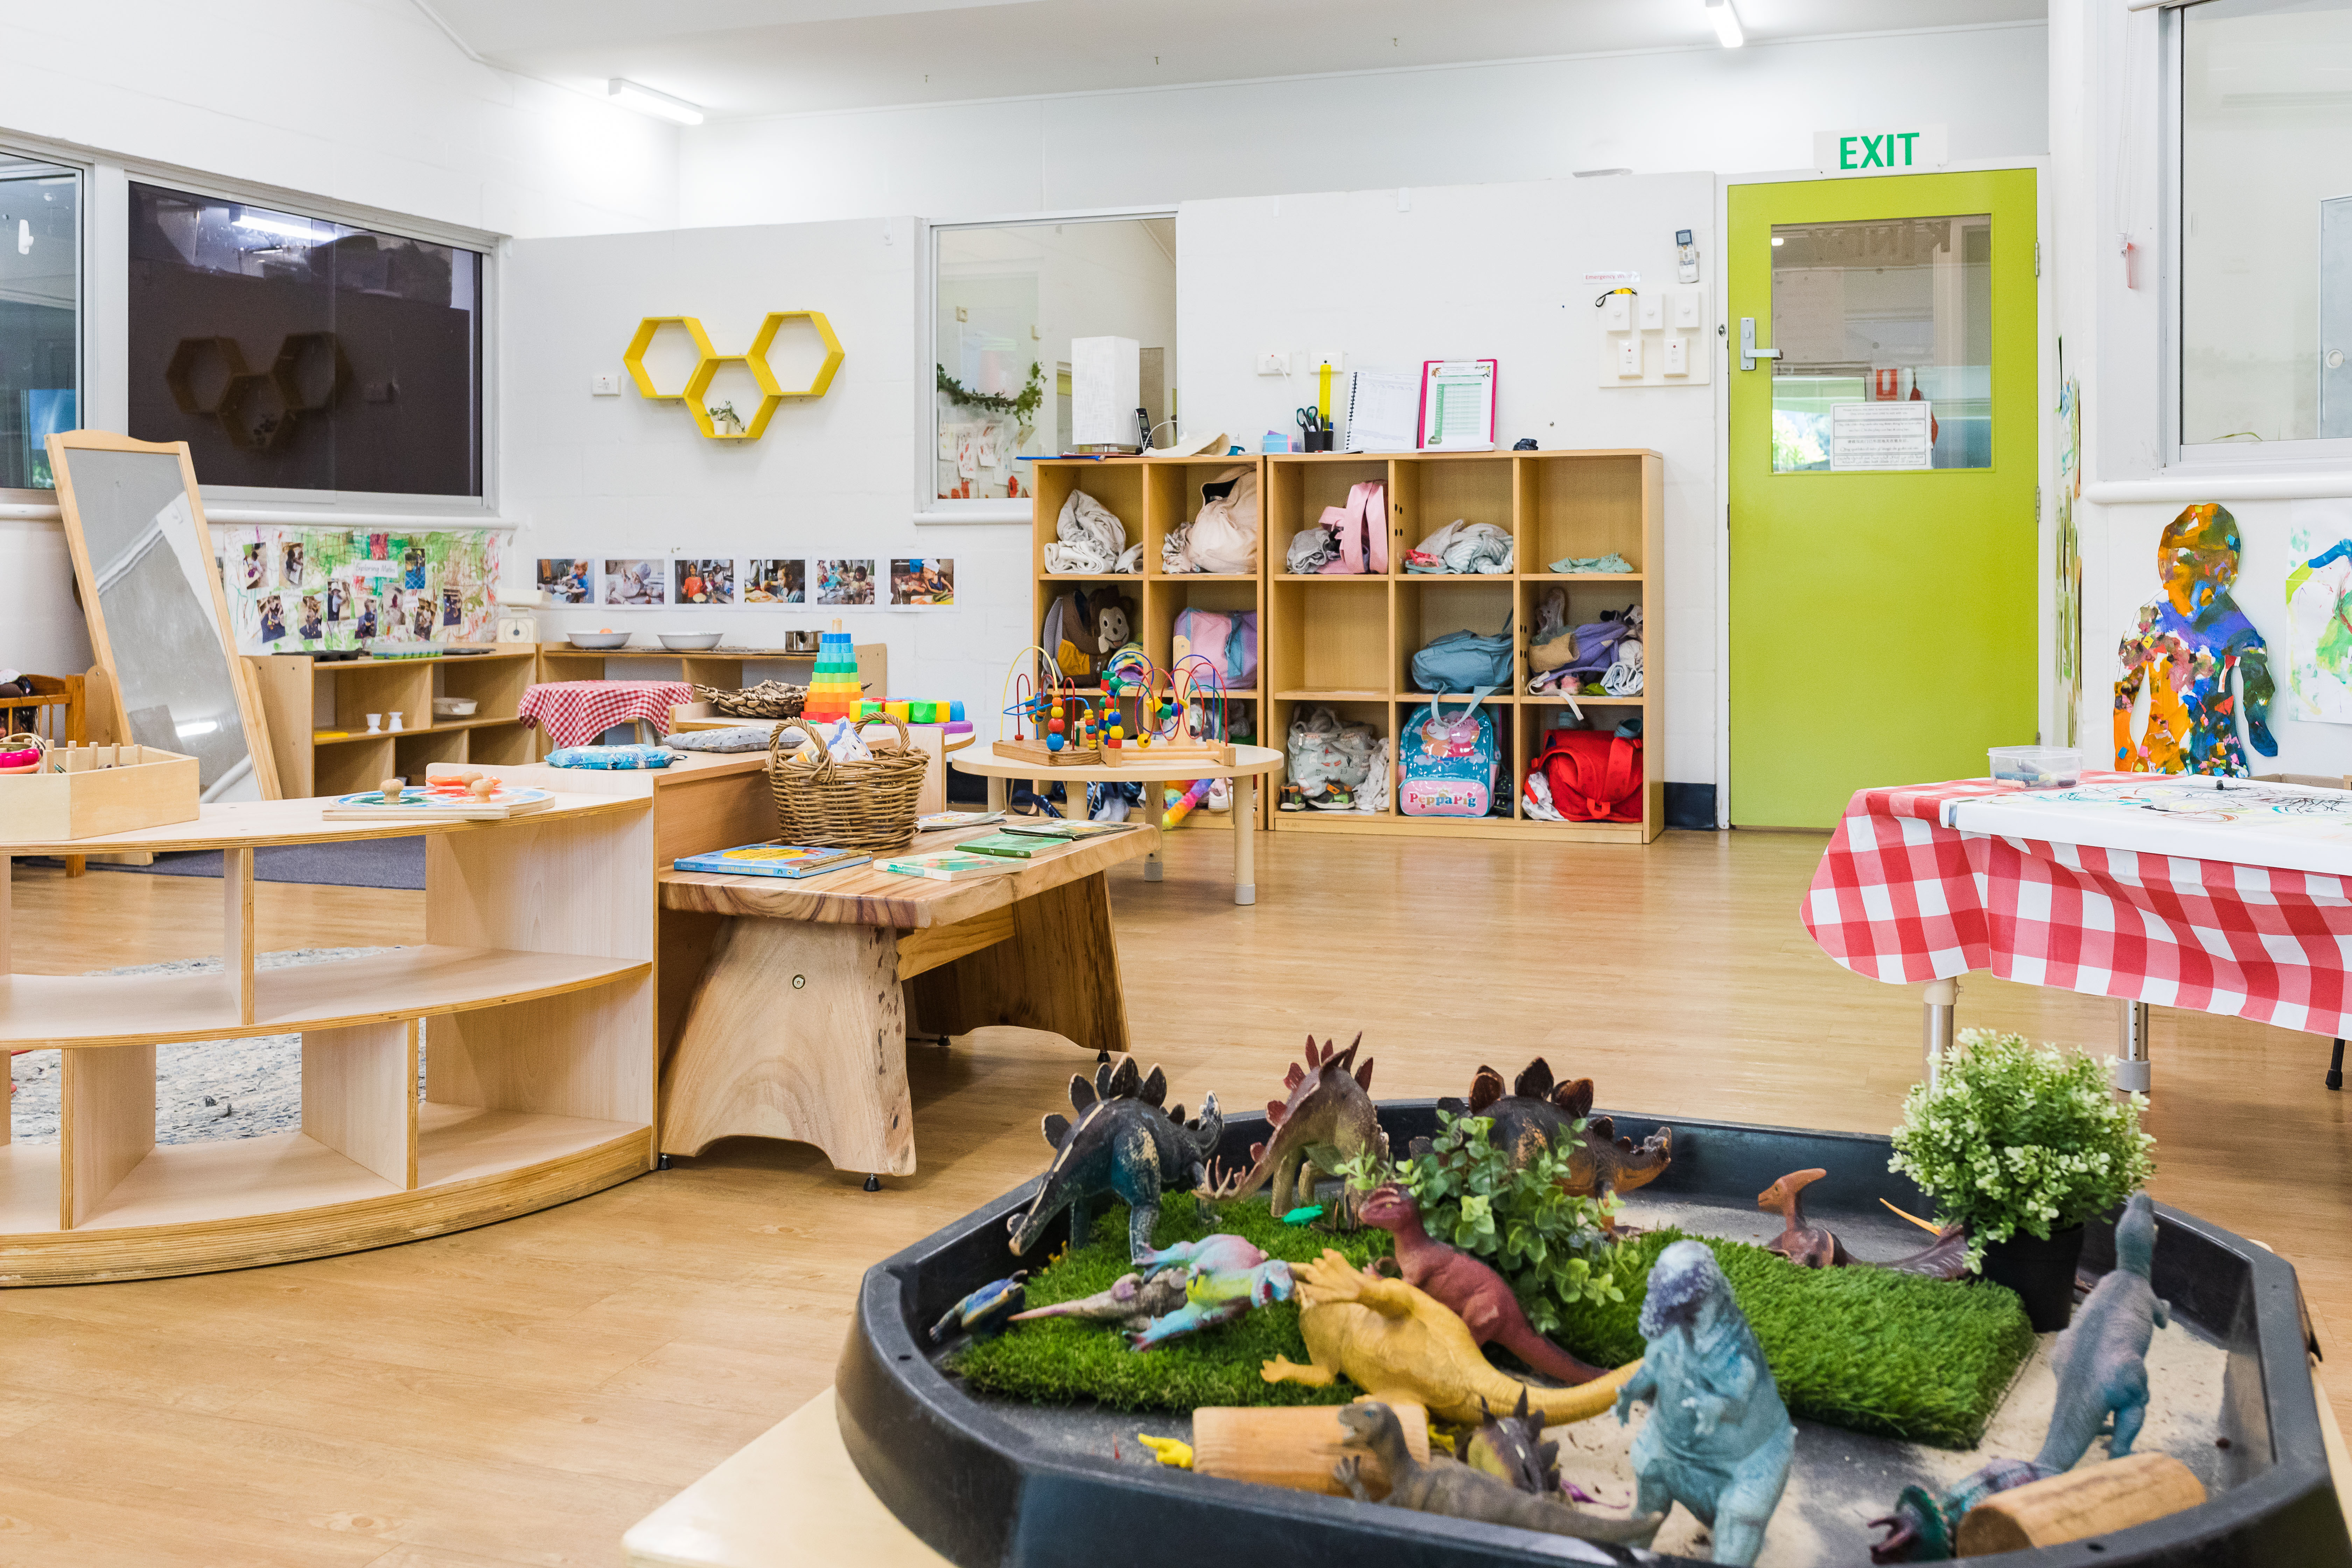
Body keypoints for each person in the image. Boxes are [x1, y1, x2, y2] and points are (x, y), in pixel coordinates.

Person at [2114, 503, 2276, 776]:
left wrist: (2257, 724)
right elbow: (2125, 684)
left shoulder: (2232, 622)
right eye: (2185, 564)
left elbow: (2257, 673)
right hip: (2169, 758)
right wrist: (2122, 744)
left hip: (2215, 760)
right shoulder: (2152, 617)